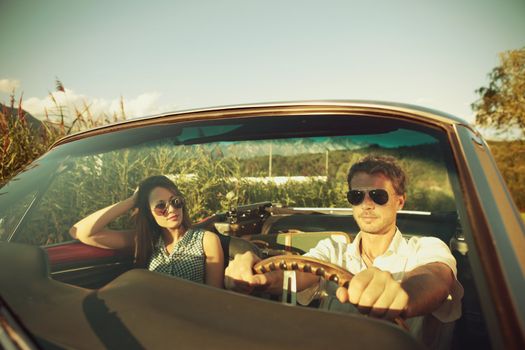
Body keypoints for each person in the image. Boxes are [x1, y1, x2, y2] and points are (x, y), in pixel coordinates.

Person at [225, 155, 463, 348]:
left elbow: (435, 278)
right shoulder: (333, 249)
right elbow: (296, 273)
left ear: (400, 201)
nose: (366, 204)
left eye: (378, 196)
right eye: (356, 196)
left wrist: (402, 294)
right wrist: (258, 274)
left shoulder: (426, 247)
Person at [70, 175, 224, 288]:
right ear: (149, 213)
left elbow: (214, 298)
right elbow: (81, 232)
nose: (171, 209)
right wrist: (132, 201)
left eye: (175, 201)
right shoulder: (145, 241)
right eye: (160, 206)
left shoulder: (206, 240)